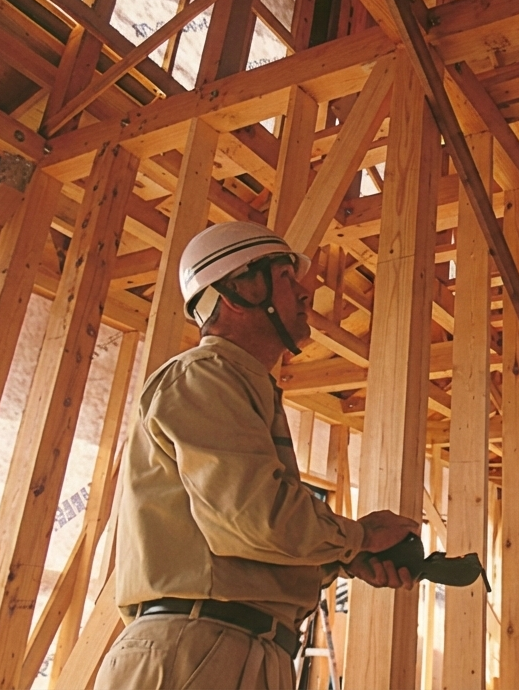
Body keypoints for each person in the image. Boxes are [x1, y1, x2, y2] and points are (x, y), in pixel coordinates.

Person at [96, 221, 420, 690]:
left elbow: (239, 539)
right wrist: (359, 537)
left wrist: (342, 559)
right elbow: (253, 517)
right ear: (238, 290)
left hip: (235, 647)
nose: (305, 293)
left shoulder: (241, 386)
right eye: (287, 278)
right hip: (200, 648)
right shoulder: (206, 376)